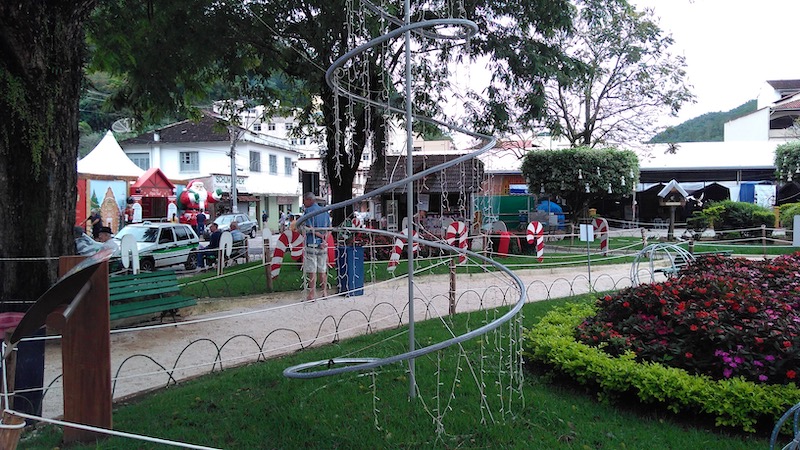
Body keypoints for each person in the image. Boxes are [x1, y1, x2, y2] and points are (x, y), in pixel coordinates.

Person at [300, 192, 330, 301]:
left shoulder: (308, 212)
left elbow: (309, 228)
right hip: (323, 245)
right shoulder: (325, 212)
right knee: (322, 269)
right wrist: (324, 239)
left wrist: (319, 235)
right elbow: (329, 228)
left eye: (304, 200)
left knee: (312, 269)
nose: (303, 203)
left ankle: (312, 294)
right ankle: (324, 292)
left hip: (312, 243)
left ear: (309, 200)